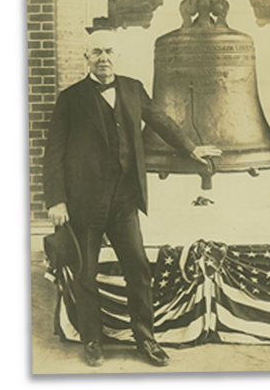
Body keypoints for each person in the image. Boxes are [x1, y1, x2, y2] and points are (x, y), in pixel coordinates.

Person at [43, 29, 221, 367]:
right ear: (86, 58)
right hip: (84, 203)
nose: (103, 58)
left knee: (138, 271)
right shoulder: (71, 98)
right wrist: (56, 200)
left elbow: (161, 122)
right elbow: (53, 153)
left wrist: (191, 148)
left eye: (109, 51)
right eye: (96, 52)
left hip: (124, 202)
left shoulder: (132, 88)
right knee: (85, 274)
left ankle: (146, 340)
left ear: (118, 55)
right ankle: (92, 340)